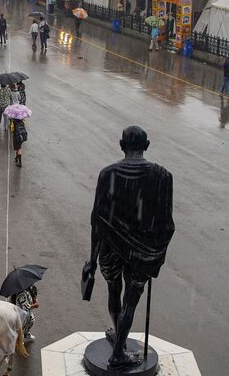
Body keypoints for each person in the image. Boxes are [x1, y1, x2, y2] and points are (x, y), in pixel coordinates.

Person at [85, 126, 174, 370]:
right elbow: (166, 224)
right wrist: (155, 253)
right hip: (143, 250)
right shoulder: (163, 176)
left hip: (111, 246)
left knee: (114, 292)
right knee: (130, 302)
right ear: (147, 145)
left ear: (121, 144)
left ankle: (118, 343)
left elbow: (97, 219)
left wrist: (92, 259)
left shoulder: (108, 174)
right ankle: (118, 351)